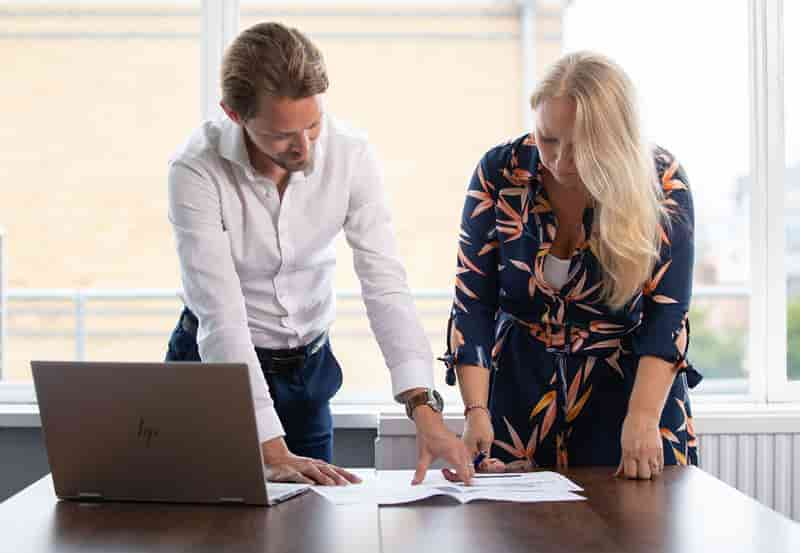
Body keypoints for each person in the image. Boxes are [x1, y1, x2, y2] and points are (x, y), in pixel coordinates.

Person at [166, 22, 472, 486]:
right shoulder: (196, 169)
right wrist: (271, 449)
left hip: (306, 373)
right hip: (214, 372)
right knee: (205, 527)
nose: (305, 148)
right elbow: (221, 318)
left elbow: (384, 282)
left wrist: (425, 413)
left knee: (310, 524)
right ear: (234, 115)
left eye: (313, 125)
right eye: (282, 135)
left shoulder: (350, 155)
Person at [442, 51, 701, 481]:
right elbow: (473, 303)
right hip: (518, 398)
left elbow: (668, 314)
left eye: (581, 147)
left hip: (631, 396)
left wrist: (641, 417)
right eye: (548, 140)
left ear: (614, 142)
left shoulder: (661, 181)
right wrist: (476, 410)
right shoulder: (498, 173)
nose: (559, 161)